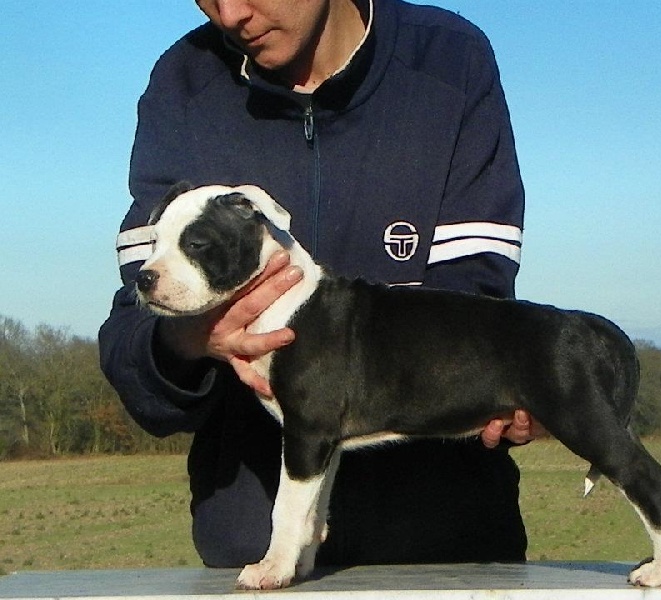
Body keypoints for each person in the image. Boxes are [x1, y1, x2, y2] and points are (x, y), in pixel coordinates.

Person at [99, 0, 535, 569]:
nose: (229, 14)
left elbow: (476, 300)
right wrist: (188, 339)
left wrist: (517, 383)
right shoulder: (182, 81)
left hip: (446, 545)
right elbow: (133, 333)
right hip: (253, 552)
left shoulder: (448, 59)